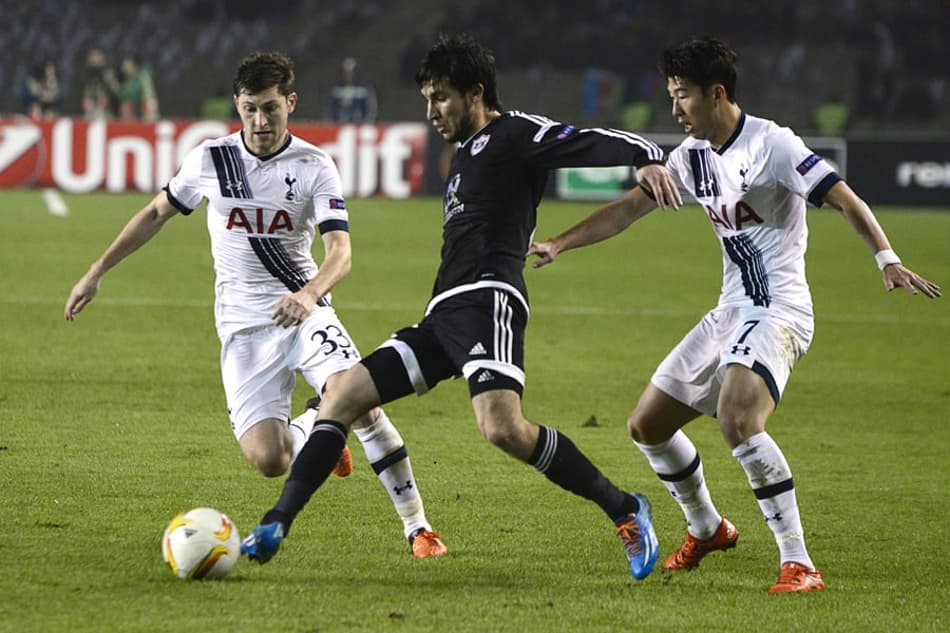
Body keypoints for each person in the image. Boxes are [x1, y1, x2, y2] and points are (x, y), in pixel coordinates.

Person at [240, 33, 683, 581]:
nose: (431, 112)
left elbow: (587, 139)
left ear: (475, 93)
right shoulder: (461, 156)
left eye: (441, 98)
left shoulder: (514, 133)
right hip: (442, 314)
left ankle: (625, 509)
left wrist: (645, 157)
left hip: (490, 300)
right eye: (426, 99)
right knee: (343, 394)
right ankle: (276, 521)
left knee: (502, 429)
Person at [528, 37, 941, 593]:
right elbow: (628, 210)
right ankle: (708, 528)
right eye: (672, 96)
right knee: (646, 426)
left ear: (716, 93)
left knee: (738, 419)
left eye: (683, 97)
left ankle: (799, 563)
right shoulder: (690, 155)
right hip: (731, 312)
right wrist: (559, 243)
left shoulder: (774, 145)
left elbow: (844, 197)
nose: (675, 109)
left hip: (779, 311)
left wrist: (887, 259)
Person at [64, 52, 448, 558]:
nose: (260, 122)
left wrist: (309, 294)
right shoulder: (210, 159)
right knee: (271, 460)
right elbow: (157, 213)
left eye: (270, 108)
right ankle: (317, 418)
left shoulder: (314, 166)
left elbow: (341, 253)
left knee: (363, 405)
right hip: (243, 329)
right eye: (249, 109)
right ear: (237, 106)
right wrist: (96, 271)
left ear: (290, 102)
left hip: (307, 314)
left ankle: (417, 528)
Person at [329, 57, 377, 123]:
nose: (349, 75)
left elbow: (370, 107)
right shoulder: (337, 88)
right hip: (340, 123)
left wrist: (367, 122)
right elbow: (331, 107)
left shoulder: (363, 88)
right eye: (346, 72)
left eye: (351, 72)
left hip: (359, 124)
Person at [117, 55, 160, 121]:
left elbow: (135, 94)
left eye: (127, 65)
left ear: (135, 66)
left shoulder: (143, 77)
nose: (124, 68)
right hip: (136, 110)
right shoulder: (128, 79)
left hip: (146, 110)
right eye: (124, 65)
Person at [81, 48, 119, 119]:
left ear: (102, 58)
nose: (95, 58)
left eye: (97, 56)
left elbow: (116, 89)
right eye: (92, 56)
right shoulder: (85, 73)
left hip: (105, 108)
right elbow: (85, 92)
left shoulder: (108, 71)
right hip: (89, 108)